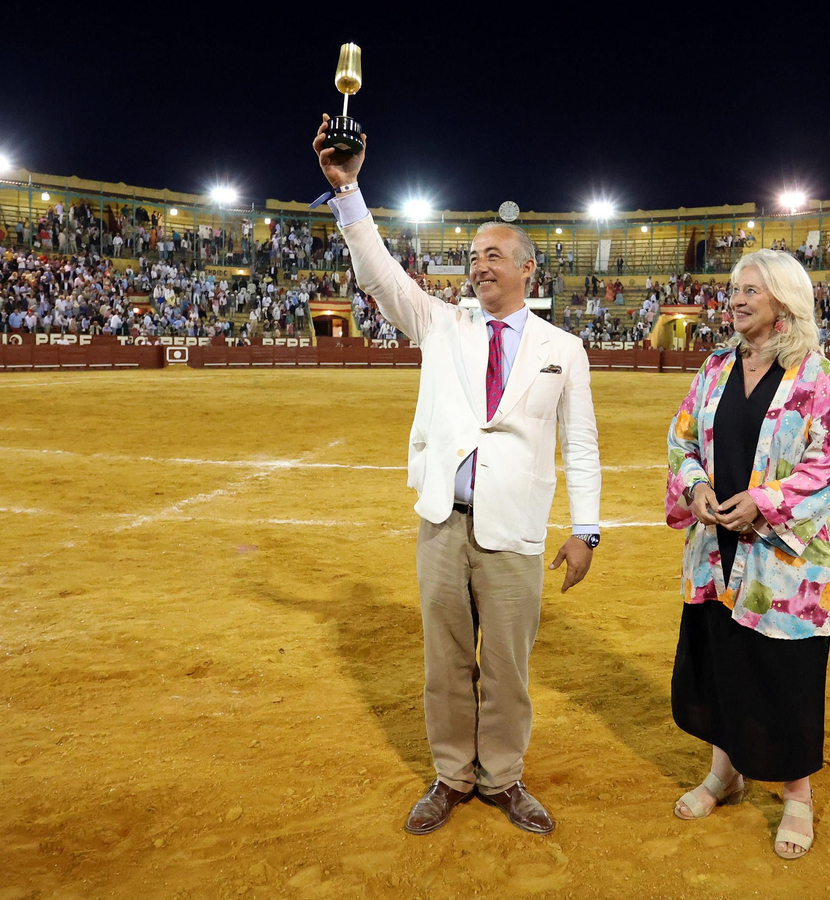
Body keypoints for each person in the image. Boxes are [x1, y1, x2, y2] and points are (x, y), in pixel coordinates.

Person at [311, 115, 602, 837]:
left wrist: (586, 529)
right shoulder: (441, 324)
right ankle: (451, 775)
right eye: (474, 254)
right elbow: (378, 272)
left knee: (506, 668)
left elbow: (583, 444)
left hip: (515, 533)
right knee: (445, 664)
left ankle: (503, 778)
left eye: (495, 254)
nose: (479, 264)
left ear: (528, 268)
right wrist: (349, 191)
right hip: (445, 522)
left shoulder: (564, 348)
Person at [663, 248, 830, 861]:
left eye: (751, 290)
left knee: (780, 672)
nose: (736, 299)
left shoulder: (816, 375)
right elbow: (683, 435)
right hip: (716, 546)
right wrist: (694, 487)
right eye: (734, 289)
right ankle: (725, 773)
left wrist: (765, 503)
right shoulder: (715, 367)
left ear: (783, 303)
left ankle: (796, 794)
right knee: (722, 659)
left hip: (783, 562)